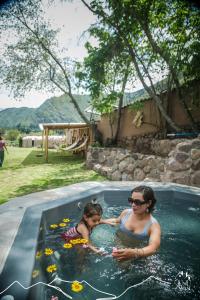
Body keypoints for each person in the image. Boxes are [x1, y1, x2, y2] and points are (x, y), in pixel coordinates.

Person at [101, 185, 161, 261]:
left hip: (138, 252)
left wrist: (134, 253)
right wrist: (100, 221)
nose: (133, 205)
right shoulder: (126, 213)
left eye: (137, 202)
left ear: (148, 203)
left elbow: (152, 248)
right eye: (131, 200)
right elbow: (116, 221)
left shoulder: (153, 225)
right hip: (118, 244)